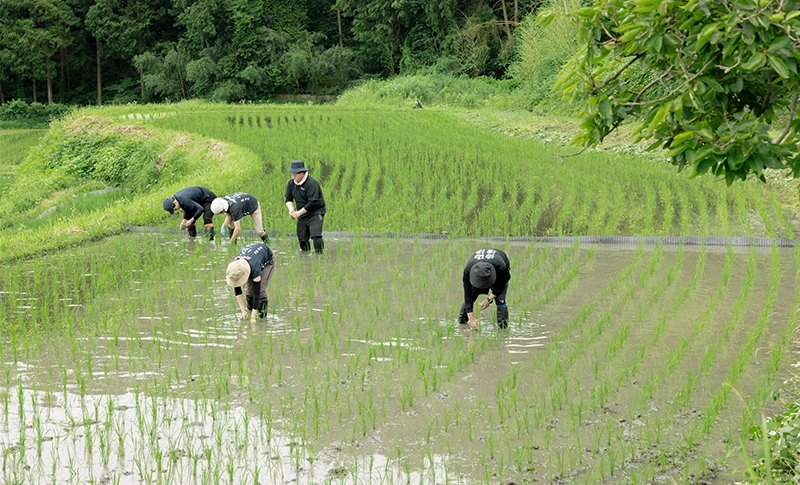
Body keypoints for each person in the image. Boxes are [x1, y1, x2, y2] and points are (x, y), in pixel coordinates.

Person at [459, 248, 511, 331]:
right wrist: (471, 319)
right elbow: (467, 294)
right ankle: (461, 323)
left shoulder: (501, 266)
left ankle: (503, 329)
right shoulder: (468, 270)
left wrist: (489, 299)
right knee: (472, 296)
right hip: (478, 271)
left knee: (500, 299)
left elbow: (503, 282)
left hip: (498, 270)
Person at [225, 243, 276, 323]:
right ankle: (249, 312)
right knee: (248, 291)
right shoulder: (235, 269)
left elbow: (257, 293)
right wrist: (243, 311)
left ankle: (263, 318)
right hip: (251, 259)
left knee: (261, 291)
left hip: (268, 260)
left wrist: (253, 317)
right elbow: (237, 291)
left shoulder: (254, 267)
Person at [285, 160, 326, 253]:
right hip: (302, 213)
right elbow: (288, 199)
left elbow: (313, 202)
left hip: (315, 212)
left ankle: (320, 257)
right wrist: (291, 211)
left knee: (316, 236)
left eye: (295, 174)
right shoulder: (291, 183)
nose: (293, 176)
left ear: (303, 173)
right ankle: (306, 256)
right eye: (292, 174)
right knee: (302, 239)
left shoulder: (312, 184)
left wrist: (298, 213)